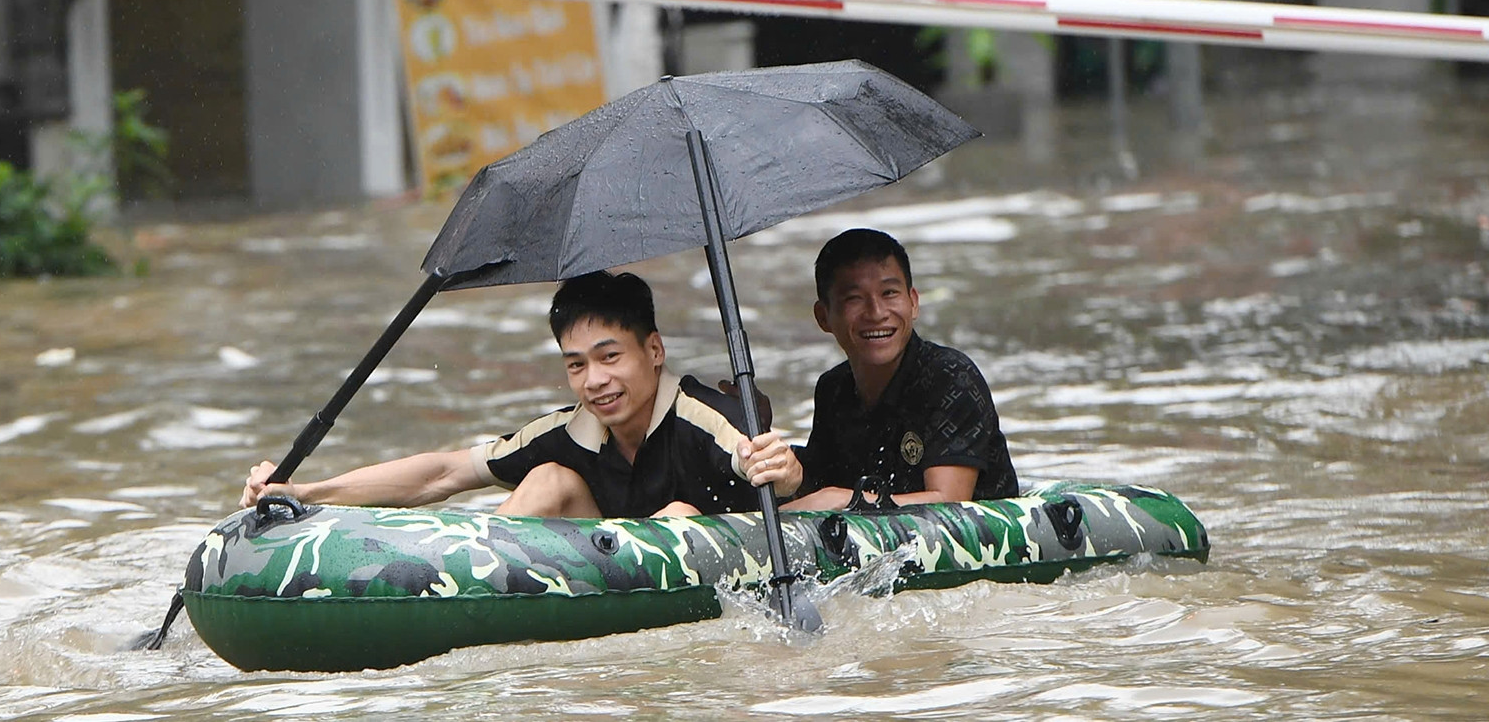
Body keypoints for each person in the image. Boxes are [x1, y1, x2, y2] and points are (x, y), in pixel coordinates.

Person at [240, 270, 804, 517]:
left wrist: (782, 468)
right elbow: (445, 473)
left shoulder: (708, 416)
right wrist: (305, 491)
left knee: (679, 511)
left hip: (715, 552)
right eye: (577, 364)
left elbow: (782, 471)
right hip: (609, 566)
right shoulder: (568, 432)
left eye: (611, 357)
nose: (595, 381)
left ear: (654, 350)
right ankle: (471, 596)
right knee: (548, 480)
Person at [781, 228, 1018, 511]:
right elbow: (815, 488)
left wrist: (846, 499)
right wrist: (755, 430)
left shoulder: (952, 377)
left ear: (913, 302)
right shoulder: (833, 388)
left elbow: (950, 502)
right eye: (854, 298)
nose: (876, 312)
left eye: (889, 293)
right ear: (824, 317)